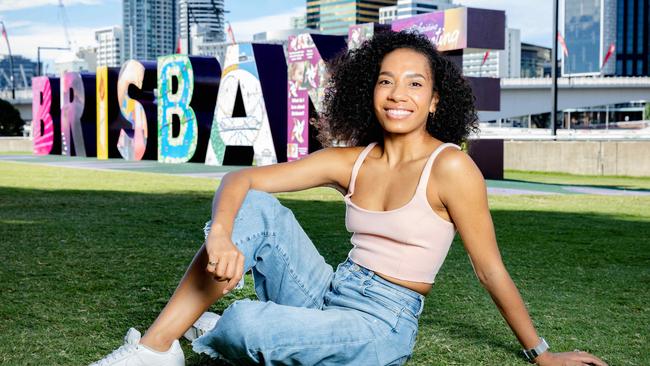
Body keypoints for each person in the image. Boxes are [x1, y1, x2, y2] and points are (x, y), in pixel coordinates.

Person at [91, 31, 607, 366]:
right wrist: (223, 233)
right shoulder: (353, 160)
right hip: (332, 290)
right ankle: (155, 350)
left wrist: (541, 353)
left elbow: (489, 268)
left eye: (414, 83)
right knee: (257, 207)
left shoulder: (451, 167)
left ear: (434, 100)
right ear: (371, 90)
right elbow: (241, 180)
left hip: (383, 322)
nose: (397, 94)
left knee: (245, 322)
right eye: (386, 81)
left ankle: (223, 329)